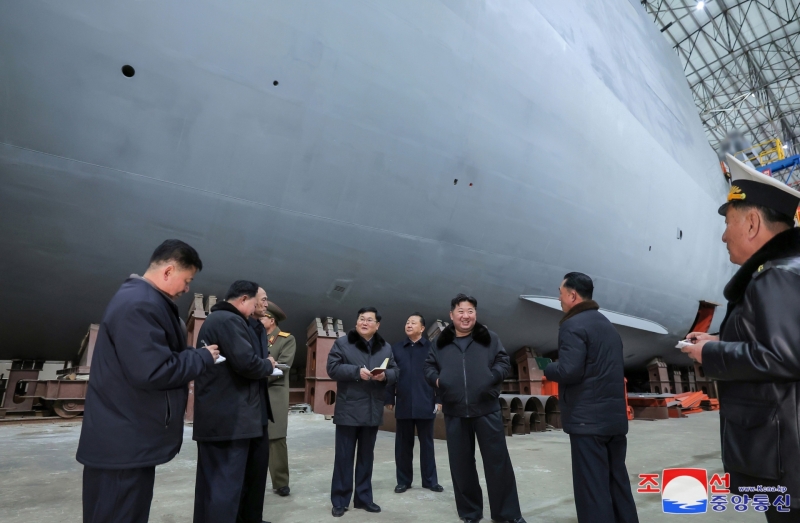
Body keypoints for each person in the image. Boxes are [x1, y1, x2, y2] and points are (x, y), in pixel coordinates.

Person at [682, 154, 800, 522]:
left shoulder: (775, 276)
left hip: (784, 459)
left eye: (729, 222)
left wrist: (712, 352)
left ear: (751, 224)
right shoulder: (790, 270)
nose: (723, 235)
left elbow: (783, 356)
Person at [76, 239, 219, 523]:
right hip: (123, 443)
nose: (187, 289)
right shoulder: (140, 305)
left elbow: (152, 357)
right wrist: (201, 358)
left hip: (126, 438)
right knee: (119, 513)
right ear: (168, 271)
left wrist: (190, 355)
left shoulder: (141, 300)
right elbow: (153, 371)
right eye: (186, 280)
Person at [543, 273, 639, 523]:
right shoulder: (607, 325)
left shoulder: (572, 325)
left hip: (588, 423)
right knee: (617, 483)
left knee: (592, 491)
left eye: (561, 293)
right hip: (614, 421)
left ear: (573, 295)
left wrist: (548, 367)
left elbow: (569, 370)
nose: (559, 298)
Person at [424, 294, 525, 523]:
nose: (465, 316)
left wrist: (493, 377)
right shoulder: (440, 343)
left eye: (470, 311)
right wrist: (438, 382)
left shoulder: (489, 338)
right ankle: (470, 513)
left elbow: (503, 361)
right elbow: (428, 367)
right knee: (461, 466)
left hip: (486, 409)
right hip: (455, 411)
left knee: (498, 464)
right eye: (460, 311)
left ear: (475, 314)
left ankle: (507, 515)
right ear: (451, 315)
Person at [192, 281, 276, 523]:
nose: (257, 308)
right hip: (227, 417)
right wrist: (268, 365)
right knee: (223, 486)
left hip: (235, 415)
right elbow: (247, 363)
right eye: (255, 302)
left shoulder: (231, 321)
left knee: (232, 483)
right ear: (243, 300)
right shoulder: (228, 321)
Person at [327, 307, 399, 517]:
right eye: (361, 319)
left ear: (377, 325)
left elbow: (396, 371)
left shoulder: (385, 347)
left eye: (369, 320)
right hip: (349, 408)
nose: (364, 322)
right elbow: (332, 368)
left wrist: (385, 376)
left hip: (372, 409)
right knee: (344, 457)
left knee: (367, 458)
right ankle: (340, 500)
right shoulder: (343, 343)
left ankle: (364, 498)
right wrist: (356, 372)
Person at [385, 313, 443, 494]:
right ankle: (403, 481)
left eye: (413, 322)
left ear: (422, 328)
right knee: (403, 446)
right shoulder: (396, 348)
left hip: (425, 401)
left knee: (427, 444)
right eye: (407, 322)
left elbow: (440, 375)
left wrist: (439, 399)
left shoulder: (432, 348)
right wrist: (389, 398)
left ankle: (430, 481)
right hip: (403, 402)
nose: (409, 325)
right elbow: (390, 373)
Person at [262, 301, 297, 497]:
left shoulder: (286, 339)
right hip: (255, 393)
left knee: (276, 439)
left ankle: (281, 482)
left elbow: (282, 367)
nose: (258, 320)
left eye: (262, 318)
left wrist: (256, 372)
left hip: (274, 393)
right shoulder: (255, 337)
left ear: (271, 320)